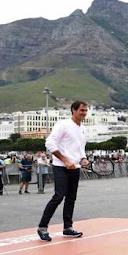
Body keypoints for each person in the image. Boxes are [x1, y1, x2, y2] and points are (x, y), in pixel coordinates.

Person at [36, 101, 89, 242]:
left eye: (85, 110)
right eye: (81, 110)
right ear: (73, 110)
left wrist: (83, 158)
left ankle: (68, 228)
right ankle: (42, 228)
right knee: (58, 196)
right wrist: (65, 160)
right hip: (61, 166)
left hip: (75, 168)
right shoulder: (63, 125)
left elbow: (80, 148)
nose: (84, 113)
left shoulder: (83, 128)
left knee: (71, 198)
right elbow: (49, 143)